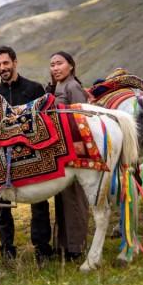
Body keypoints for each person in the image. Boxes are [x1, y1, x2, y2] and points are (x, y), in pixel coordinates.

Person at [0, 46, 53, 264]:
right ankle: (7, 252)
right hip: (4, 159)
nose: (2, 68)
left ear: (15, 62)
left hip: (34, 154)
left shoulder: (35, 89)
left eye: (6, 63)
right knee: (2, 208)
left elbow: (46, 121)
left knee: (39, 202)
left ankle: (43, 250)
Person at [47, 51, 89, 261]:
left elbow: (83, 118)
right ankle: (64, 245)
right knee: (63, 199)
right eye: (52, 64)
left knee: (75, 199)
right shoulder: (58, 86)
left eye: (59, 64)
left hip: (75, 150)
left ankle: (76, 248)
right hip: (61, 150)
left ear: (71, 66)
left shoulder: (73, 87)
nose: (55, 68)